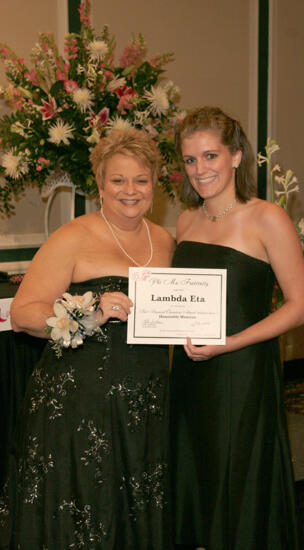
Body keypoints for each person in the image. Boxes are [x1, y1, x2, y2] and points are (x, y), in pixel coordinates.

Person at [0, 128, 175, 549]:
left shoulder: (166, 241)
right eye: (118, 180)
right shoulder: (73, 236)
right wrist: (88, 317)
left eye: (141, 180)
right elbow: (24, 314)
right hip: (79, 405)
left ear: (155, 184)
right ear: (100, 185)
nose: (130, 190)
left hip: (146, 403)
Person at [170, 107, 304, 550]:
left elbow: (302, 306)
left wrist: (228, 344)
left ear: (235, 156)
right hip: (192, 373)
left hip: (243, 372)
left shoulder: (266, 217)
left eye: (210, 156)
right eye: (191, 160)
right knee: (196, 475)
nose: (200, 170)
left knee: (238, 476)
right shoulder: (186, 221)